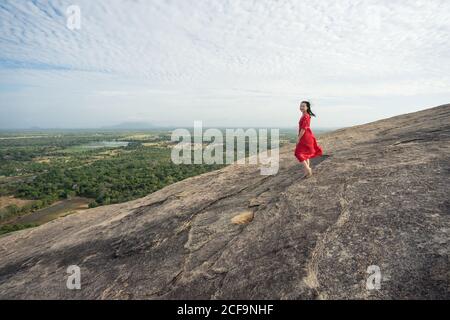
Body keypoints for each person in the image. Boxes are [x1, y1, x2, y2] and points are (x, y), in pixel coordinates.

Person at [294, 101, 323, 178]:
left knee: (298, 153)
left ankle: (308, 169)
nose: (301, 107)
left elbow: (303, 129)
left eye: (303, 106)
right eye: (301, 106)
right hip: (305, 136)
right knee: (305, 154)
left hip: (305, 137)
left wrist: (298, 138)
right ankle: (307, 172)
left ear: (307, 107)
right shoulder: (304, 115)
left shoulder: (306, 116)